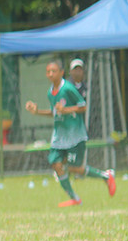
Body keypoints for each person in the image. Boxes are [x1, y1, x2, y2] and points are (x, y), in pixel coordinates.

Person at [24, 59, 116, 206]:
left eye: (54, 71)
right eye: (48, 71)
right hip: (59, 136)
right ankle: (75, 198)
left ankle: (106, 176)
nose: (50, 74)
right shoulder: (50, 92)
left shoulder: (68, 88)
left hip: (75, 136)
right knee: (56, 164)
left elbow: (83, 106)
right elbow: (55, 113)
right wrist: (37, 112)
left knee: (74, 168)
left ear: (61, 73)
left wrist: (66, 110)